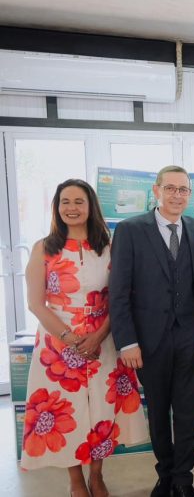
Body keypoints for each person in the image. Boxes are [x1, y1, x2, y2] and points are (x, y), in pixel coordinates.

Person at [20, 179, 148, 497]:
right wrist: (71, 340)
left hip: (104, 339)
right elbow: (36, 303)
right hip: (57, 346)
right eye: (65, 201)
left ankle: (97, 474)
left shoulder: (109, 246)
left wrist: (99, 335)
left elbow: (121, 296)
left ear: (91, 207)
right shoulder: (43, 248)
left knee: (101, 410)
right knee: (68, 412)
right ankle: (75, 479)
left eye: (79, 201)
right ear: (57, 207)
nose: (72, 208)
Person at [109, 165, 194, 497]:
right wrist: (127, 342)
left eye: (183, 189)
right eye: (170, 188)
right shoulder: (130, 230)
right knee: (159, 411)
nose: (177, 195)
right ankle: (165, 474)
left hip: (189, 335)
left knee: (188, 412)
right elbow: (119, 291)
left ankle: (183, 479)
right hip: (149, 340)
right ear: (156, 191)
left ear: (189, 194)